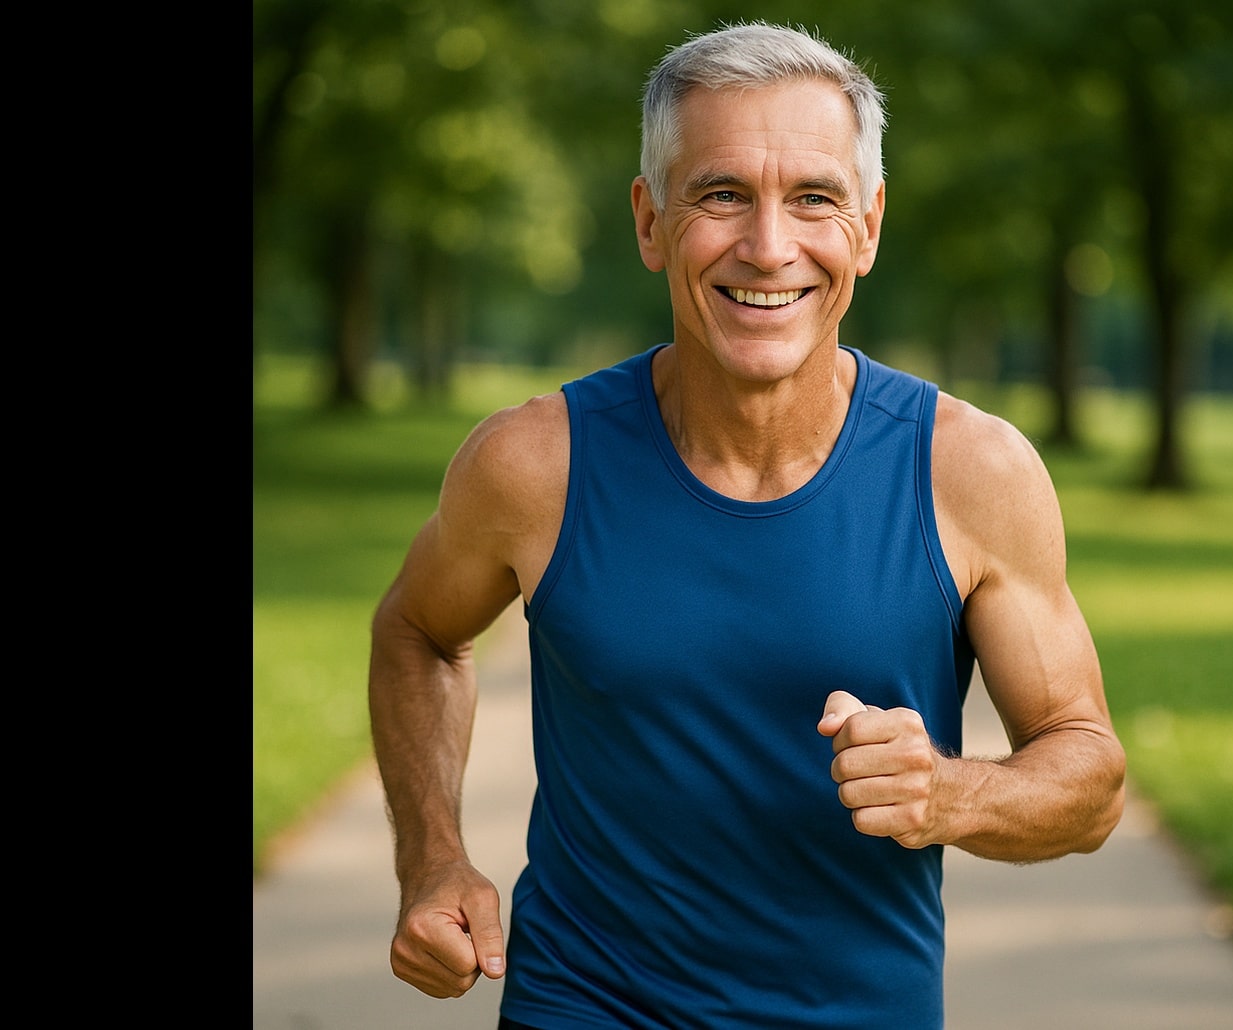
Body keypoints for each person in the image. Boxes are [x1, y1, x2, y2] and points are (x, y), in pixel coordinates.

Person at [368, 20, 1126, 1030]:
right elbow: (418, 631)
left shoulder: (970, 472)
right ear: (650, 222)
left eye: (814, 198)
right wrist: (431, 859)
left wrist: (951, 794)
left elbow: (1089, 772)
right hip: (581, 1004)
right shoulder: (533, 464)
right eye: (721, 194)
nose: (769, 247)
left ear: (868, 223)